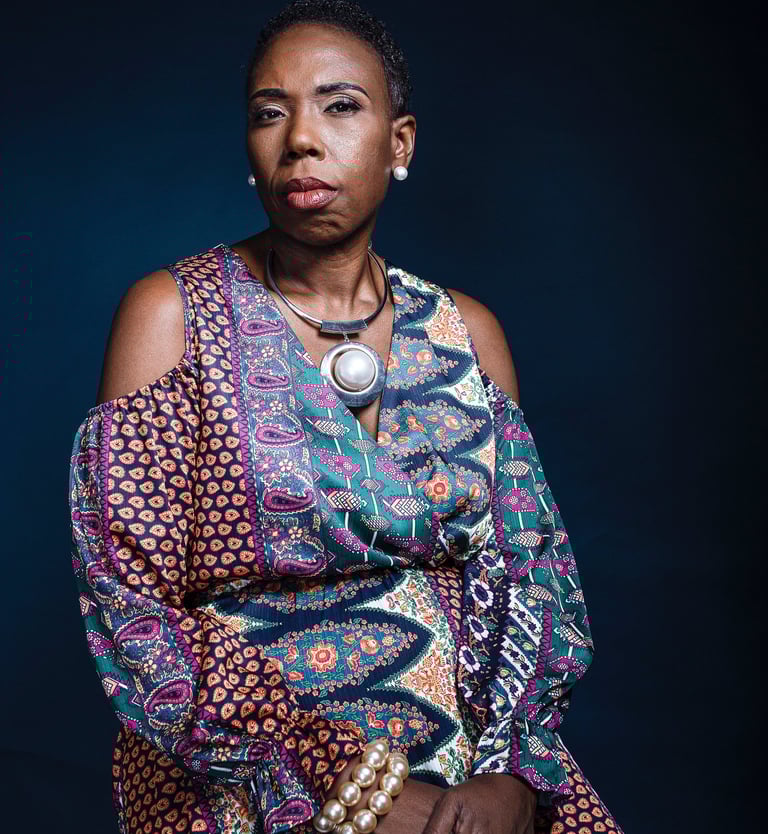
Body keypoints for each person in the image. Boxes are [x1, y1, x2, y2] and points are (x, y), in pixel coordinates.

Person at [68, 2, 624, 833]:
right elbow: (131, 602)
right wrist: (346, 781)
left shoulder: (467, 333)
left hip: (475, 766)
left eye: (339, 105)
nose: (300, 137)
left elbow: (530, 577)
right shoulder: (171, 316)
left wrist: (511, 770)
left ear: (399, 142)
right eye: (269, 112)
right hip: (250, 774)